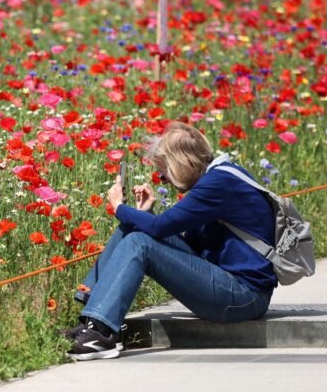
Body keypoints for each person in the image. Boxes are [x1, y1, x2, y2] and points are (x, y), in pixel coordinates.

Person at [65, 122, 278, 361]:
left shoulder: (218, 184)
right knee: (132, 227)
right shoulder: (216, 179)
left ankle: (101, 334)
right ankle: (91, 319)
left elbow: (160, 228)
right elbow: (189, 248)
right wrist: (142, 215)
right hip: (226, 284)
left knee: (139, 241)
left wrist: (120, 208)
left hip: (244, 298)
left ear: (179, 163)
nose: (162, 179)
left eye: (163, 170)